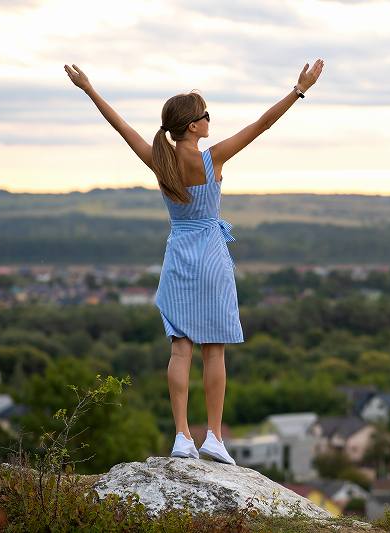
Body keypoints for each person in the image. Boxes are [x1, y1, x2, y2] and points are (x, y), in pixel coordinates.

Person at [64, 59, 325, 464]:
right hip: (211, 257)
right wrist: (299, 90)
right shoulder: (213, 159)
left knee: (180, 350)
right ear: (191, 126)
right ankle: (214, 438)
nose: (209, 120)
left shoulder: (160, 161)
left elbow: (122, 128)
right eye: (205, 115)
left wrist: (90, 90)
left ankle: (182, 436)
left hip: (179, 257)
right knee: (214, 351)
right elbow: (262, 124)